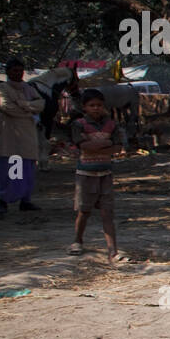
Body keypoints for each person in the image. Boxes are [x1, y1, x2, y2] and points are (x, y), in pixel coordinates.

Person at [70, 89, 126, 263]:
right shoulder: (78, 124)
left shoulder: (111, 124)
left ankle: (113, 251)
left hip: (105, 173)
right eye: (91, 105)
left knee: (107, 212)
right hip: (85, 173)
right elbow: (83, 146)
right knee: (84, 210)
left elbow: (118, 148)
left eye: (99, 105)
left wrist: (98, 145)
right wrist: (106, 142)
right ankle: (77, 241)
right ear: (84, 107)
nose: (96, 108)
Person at [0, 57, 45, 213]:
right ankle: (4, 201)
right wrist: (29, 109)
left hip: (28, 135)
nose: (18, 74)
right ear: (8, 71)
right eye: (15, 70)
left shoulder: (28, 88)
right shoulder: (2, 88)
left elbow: (41, 104)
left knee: (27, 170)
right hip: (11, 136)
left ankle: (25, 200)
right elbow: (7, 107)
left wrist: (22, 105)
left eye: (21, 71)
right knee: (10, 170)